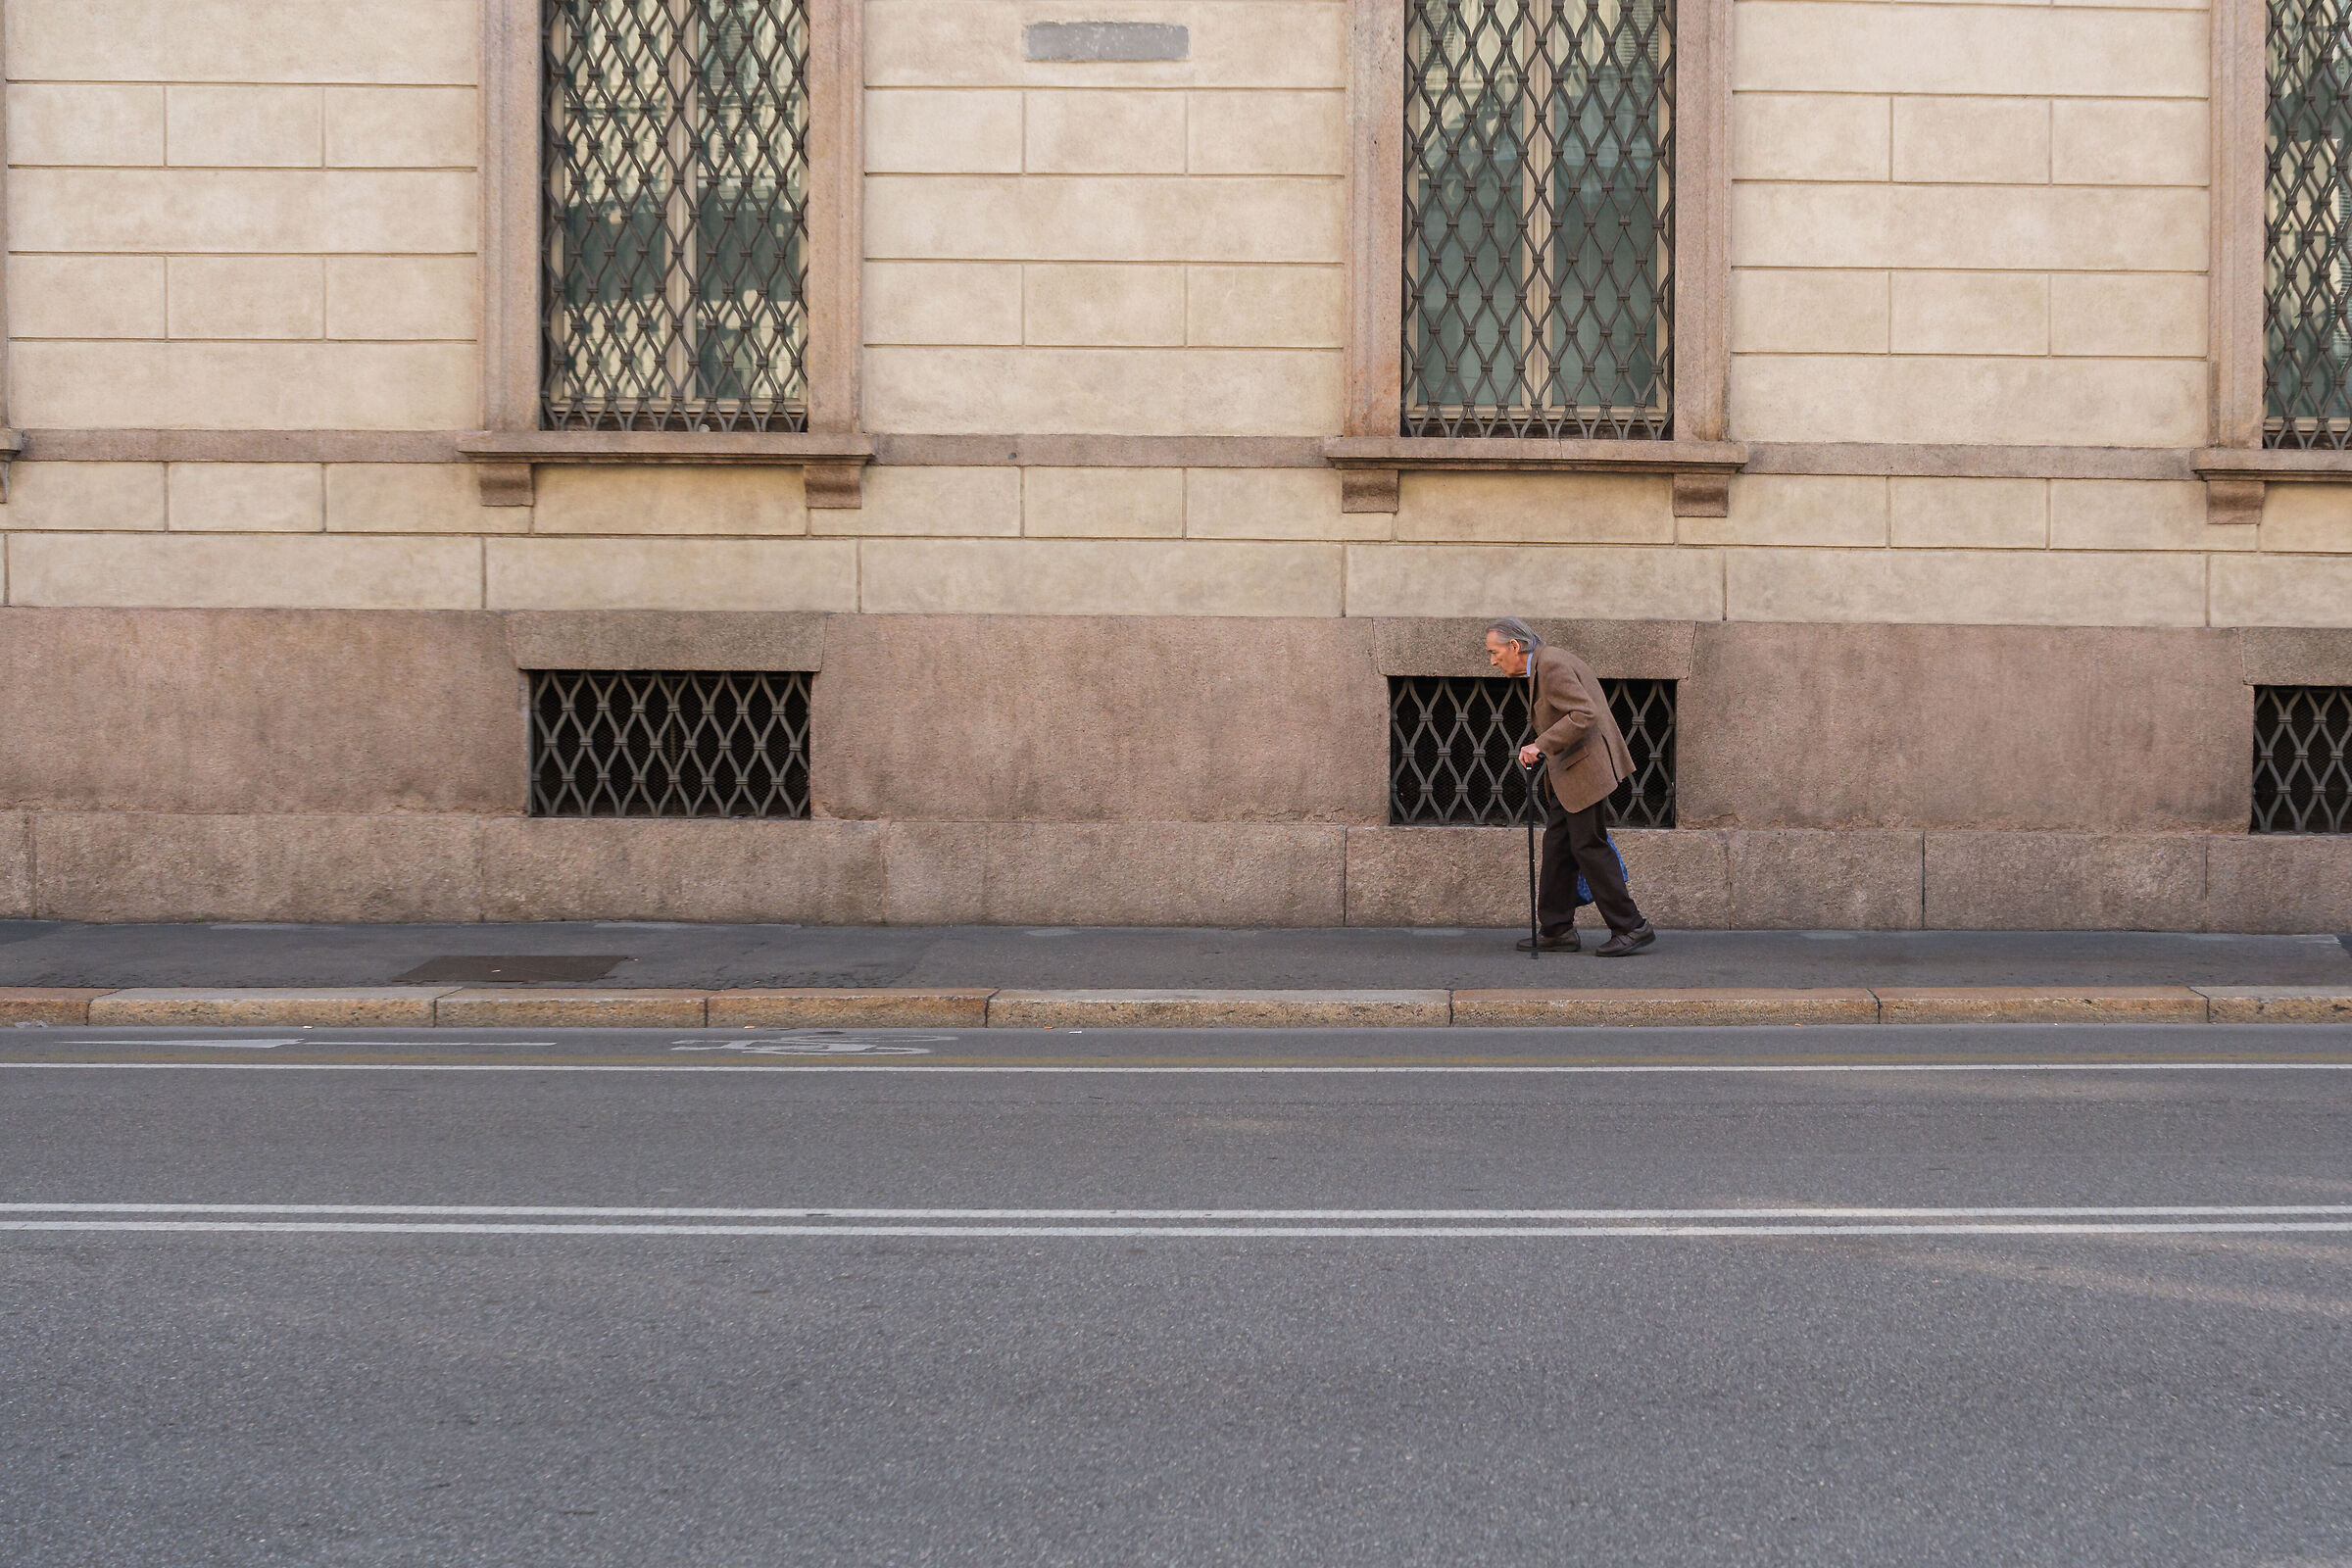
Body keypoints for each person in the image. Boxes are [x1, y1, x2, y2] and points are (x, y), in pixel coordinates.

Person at [1484, 617, 1657, 956]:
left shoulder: (1551, 664)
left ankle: (1631, 926)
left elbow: (1583, 714)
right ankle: (1557, 929)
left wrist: (1540, 745)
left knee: (1589, 846)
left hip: (1584, 771)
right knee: (1558, 848)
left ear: (1515, 646)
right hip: (1571, 772)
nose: (1492, 661)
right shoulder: (1546, 662)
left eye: (1494, 652)